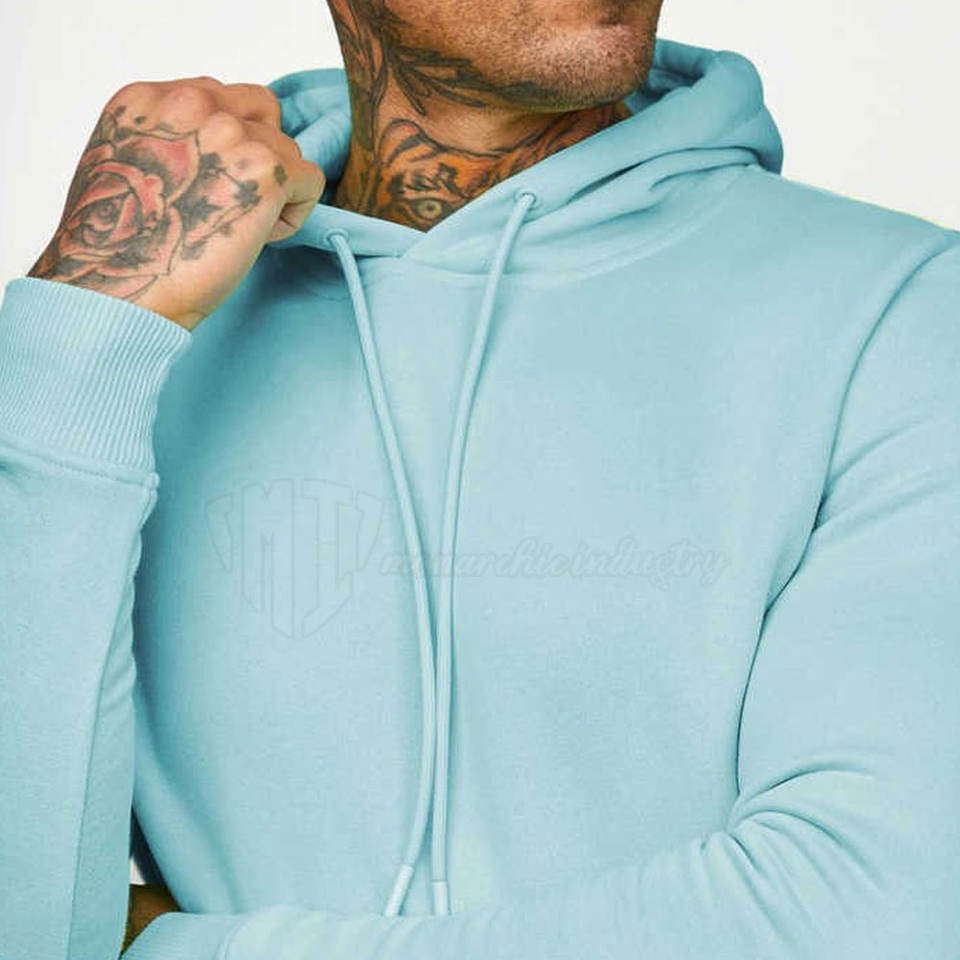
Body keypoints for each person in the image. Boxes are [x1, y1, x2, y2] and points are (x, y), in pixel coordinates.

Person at [1, 0, 958, 958]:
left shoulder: (904, 309)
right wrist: (76, 343)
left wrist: (176, 949)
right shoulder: (132, 331)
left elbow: (875, 920)